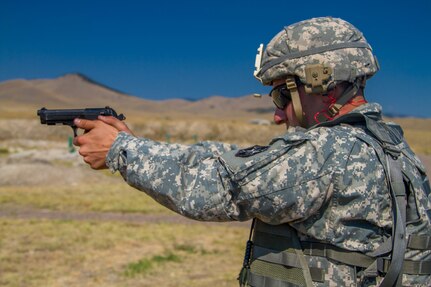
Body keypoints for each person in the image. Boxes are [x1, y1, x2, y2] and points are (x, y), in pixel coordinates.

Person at [73, 17, 431, 286]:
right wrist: (142, 146)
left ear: (321, 83)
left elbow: (218, 187)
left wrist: (121, 151)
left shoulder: (329, 153)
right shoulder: (392, 149)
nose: (277, 115)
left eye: (281, 96)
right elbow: (244, 163)